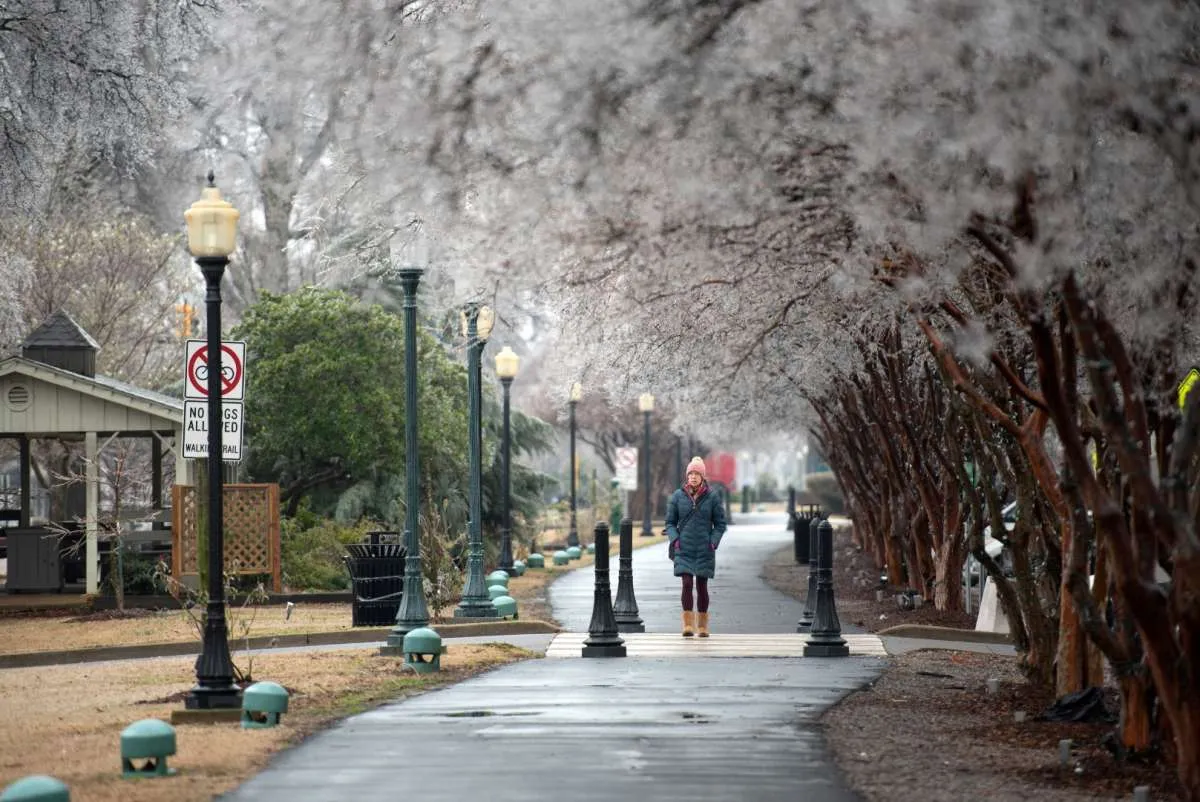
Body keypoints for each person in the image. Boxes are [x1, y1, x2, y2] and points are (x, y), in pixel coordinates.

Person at [666, 456, 727, 637]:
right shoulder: (677, 496)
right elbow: (670, 523)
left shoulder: (712, 497)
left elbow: (720, 524)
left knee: (701, 586)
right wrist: (675, 539)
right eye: (690, 473)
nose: (693, 477)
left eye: (696, 474)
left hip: (704, 549)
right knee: (686, 584)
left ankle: (702, 627)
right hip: (683, 548)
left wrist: (713, 542)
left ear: (702, 477)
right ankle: (688, 625)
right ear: (687, 476)